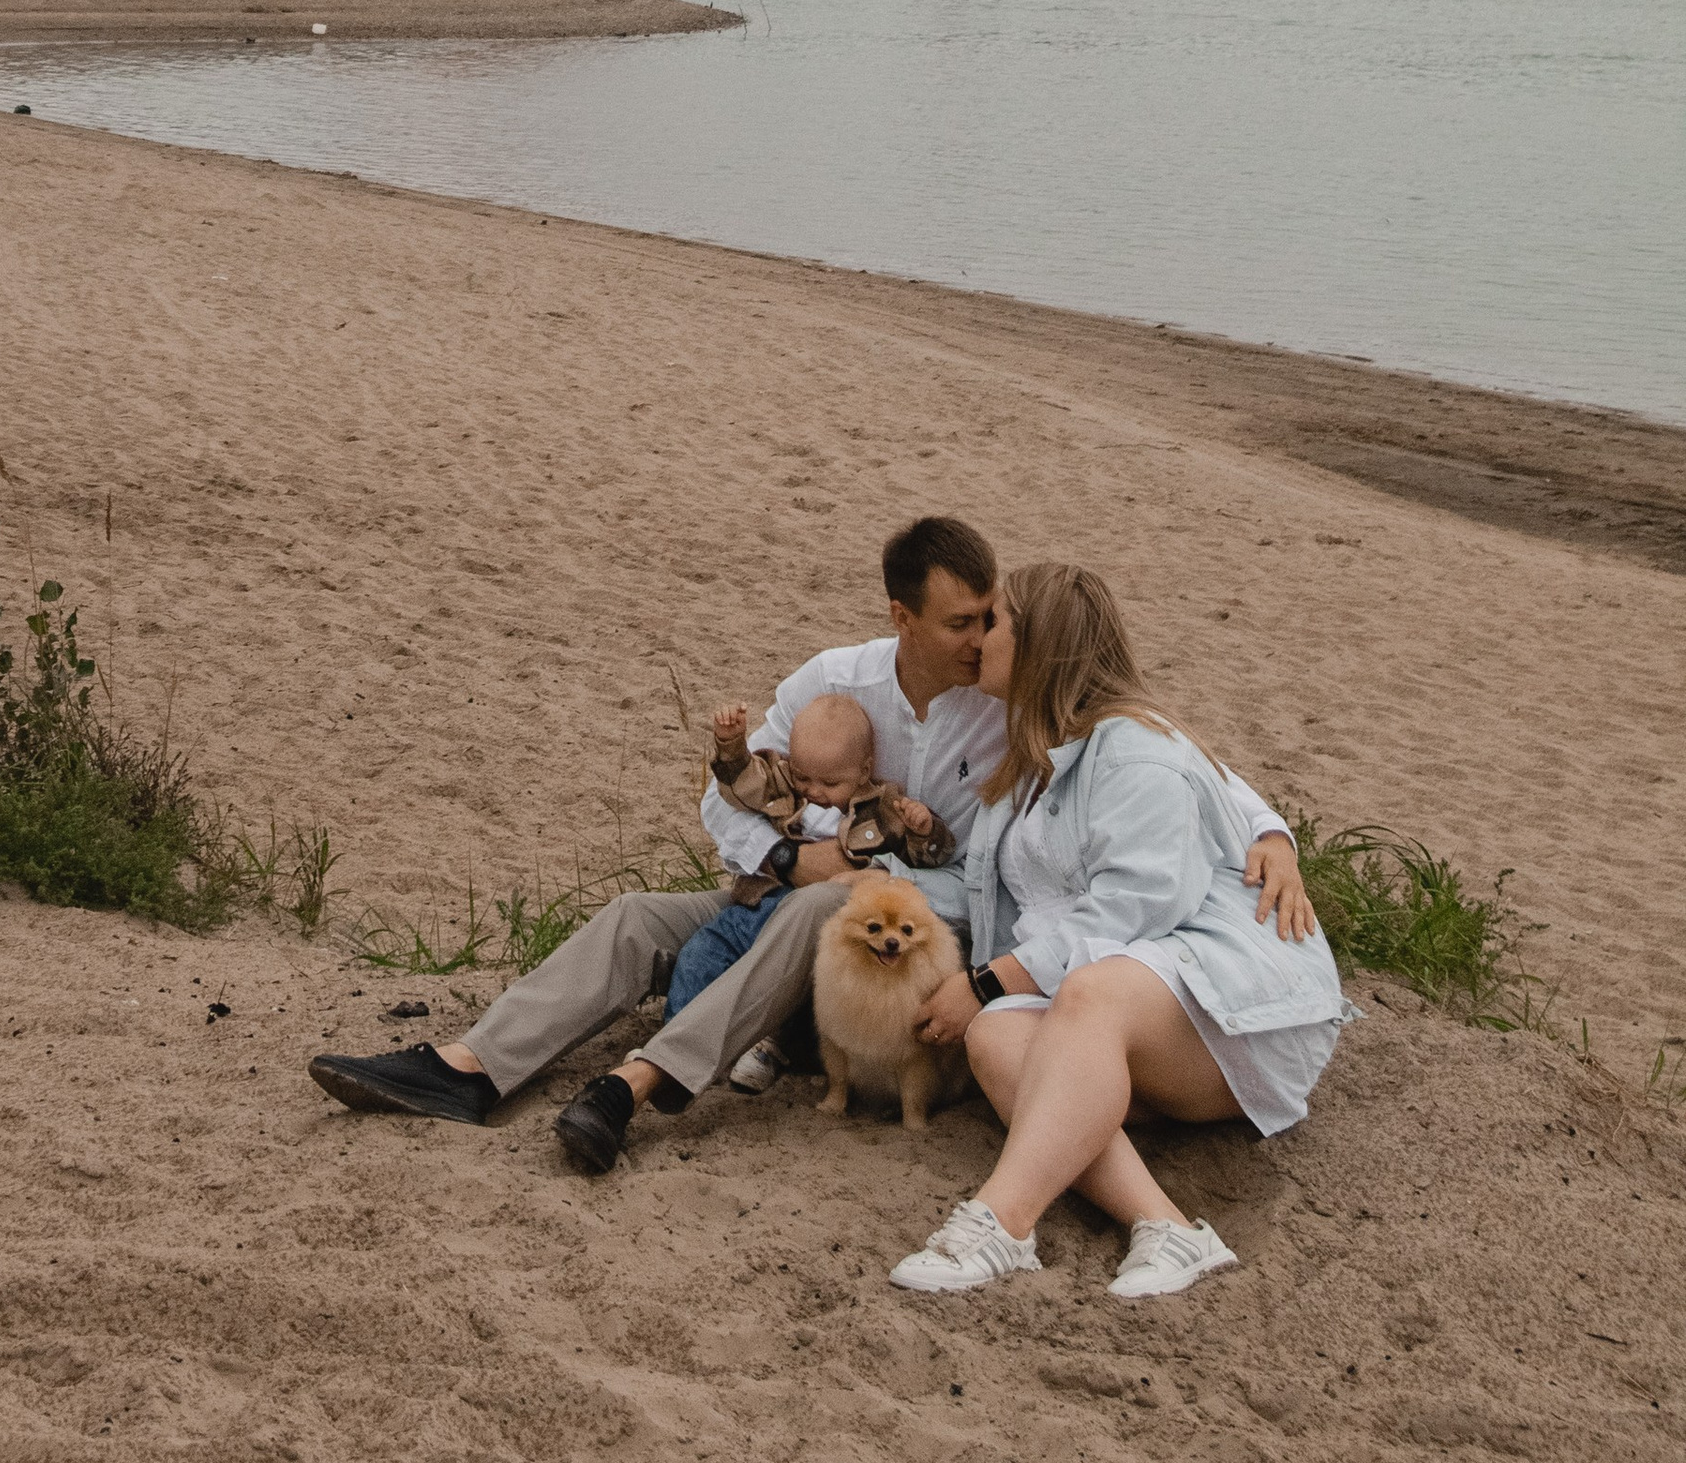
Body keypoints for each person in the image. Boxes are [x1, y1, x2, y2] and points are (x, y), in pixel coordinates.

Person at [305, 511, 1314, 1176]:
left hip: (918, 929)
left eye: (988, 621)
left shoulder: (1016, 713)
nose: (976, 640)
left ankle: (639, 1081)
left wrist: (1269, 832)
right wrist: (792, 858)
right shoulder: (836, 681)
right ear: (901, 619)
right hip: (811, 889)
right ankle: (471, 1069)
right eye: (960, 622)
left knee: (824, 912)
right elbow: (733, 802)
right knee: (639, 918)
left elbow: (1173, 756)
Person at [887, 558, 1348, 1303]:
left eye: (995, 621)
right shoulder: (1035, 758)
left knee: (1088, 987)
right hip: (1135, 1007)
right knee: (997, 1038)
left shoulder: (1136, 749)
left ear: (1040, 642)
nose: (978, 638)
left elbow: (1132, 911)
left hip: (1240, 1005)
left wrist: (989, 979)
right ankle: (1169, 1228)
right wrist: (877, 885)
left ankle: (1001, 1223)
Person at [658, 688, 883, 1026]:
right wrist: (732, 748)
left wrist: (923, 828)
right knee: (702, 953)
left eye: (830, 782)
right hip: (759, 905)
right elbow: (747, 785)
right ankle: (674, 1033)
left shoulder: (878, 811)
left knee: (788, 987)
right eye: (803, 776)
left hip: (818, 924)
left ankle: (766, 1046)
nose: (814, 791)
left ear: (864, 772)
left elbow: (916, 853)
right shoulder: (788, 788)